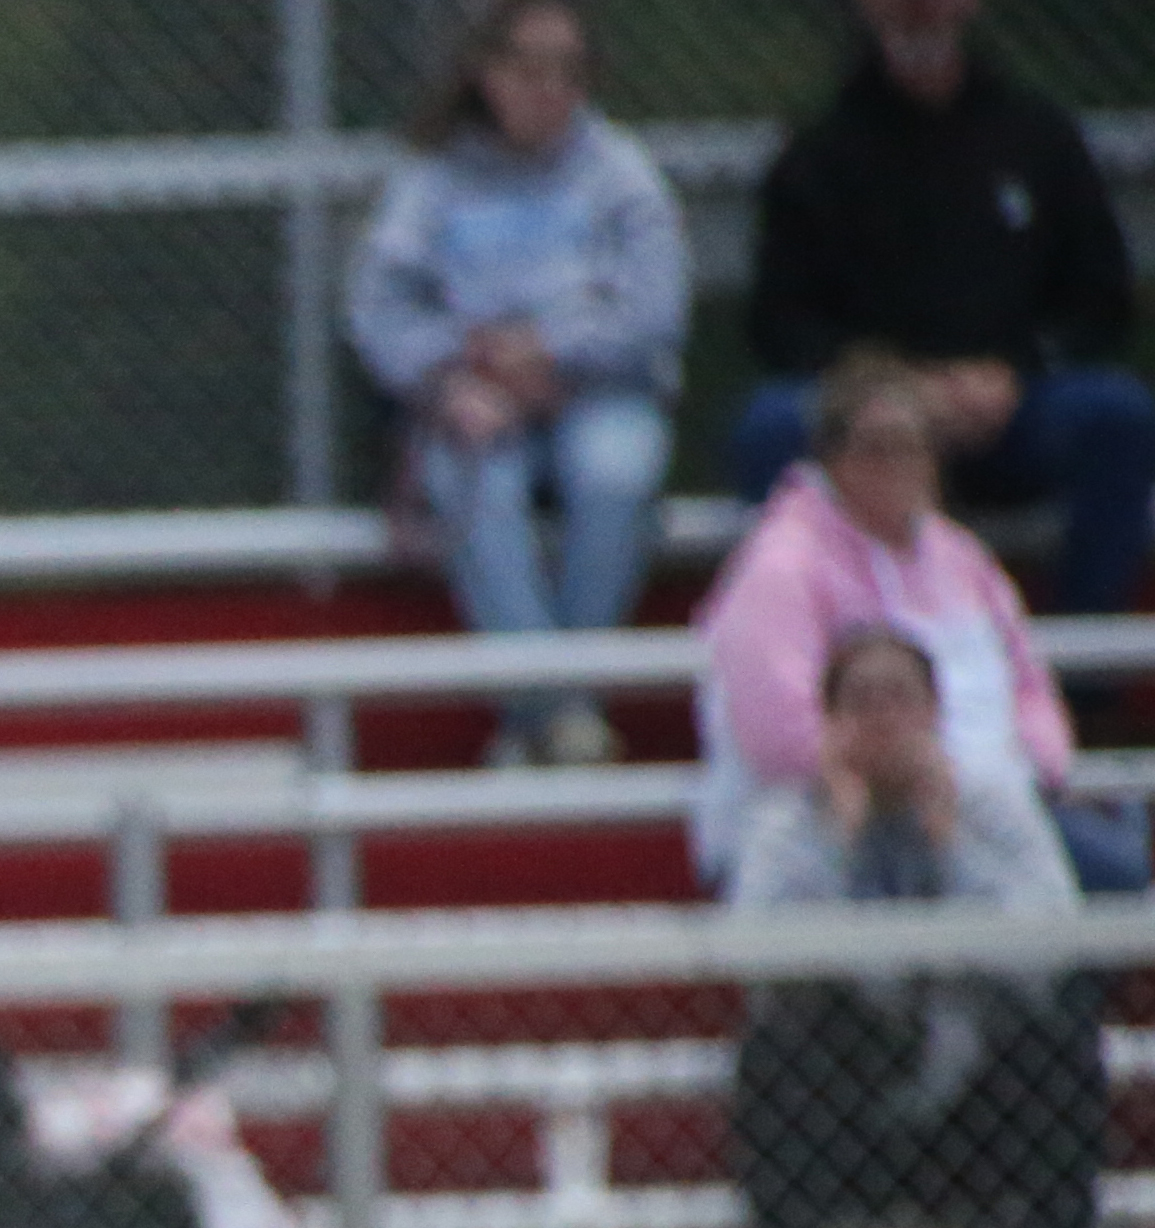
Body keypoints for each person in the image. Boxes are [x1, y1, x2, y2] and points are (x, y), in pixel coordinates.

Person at [723, 624, 1126, 1228]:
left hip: (979, 1107)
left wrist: (950, 849)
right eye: (860, 699)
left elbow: (1049, 948)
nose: (882, 717)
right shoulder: (789, 820)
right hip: (854, 1113)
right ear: (829, 719)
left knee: (1062, 1023)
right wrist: (838, 850)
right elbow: (757, 965)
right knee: (775, 1041)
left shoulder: (991, 805)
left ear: (934, 713)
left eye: (900, 697)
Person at [343, 0, 686, 767]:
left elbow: (654, 311)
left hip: (599, 391)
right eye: (529, 69)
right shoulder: (432, 180)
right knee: (473, 482)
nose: (550, 90)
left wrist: (554, 354)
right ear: (484, 72)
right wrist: (449, 376)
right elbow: (378, 309)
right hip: (475, 397)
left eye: (569, 71)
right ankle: (563, 714)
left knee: (615, 472)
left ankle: (536, 717)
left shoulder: (619, 173)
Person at [736, 0, 1149, 627]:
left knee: (1116, 415)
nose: (918, 11)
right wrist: (890, 389)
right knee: (768, 429)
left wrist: (1016, 370)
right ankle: (839, 648)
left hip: (1015, 413)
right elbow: (780, 322)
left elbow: (1101, 298)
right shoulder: (817, 148)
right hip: (871, 417)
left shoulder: (1038, 133)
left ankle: (1077, 678)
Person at [696, 349, 1141, 900]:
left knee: (1120, 874)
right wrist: (904, 773)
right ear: (832, 457)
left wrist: (1034, 770)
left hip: (987, 805)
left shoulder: (962, 557)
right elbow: (778, 734)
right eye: (876, 448)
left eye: (915, 446)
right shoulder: (781, 566)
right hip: (833, 811)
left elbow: (1029, 685)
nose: (899, 465)